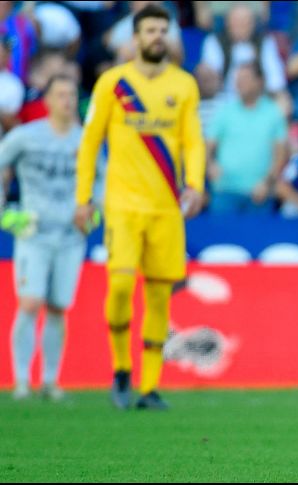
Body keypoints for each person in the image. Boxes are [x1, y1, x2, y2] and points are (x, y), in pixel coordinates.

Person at [75, 4, 206, 411]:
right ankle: (119, 368)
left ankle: (148, 387)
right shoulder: (113, 84)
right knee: (119, 286)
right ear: (134, 38)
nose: (157, 37)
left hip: (166, 208)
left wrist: (196, 185)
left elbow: (193, 141)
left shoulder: (184, 85)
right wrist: (83, 199)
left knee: (160, 296)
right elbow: (90, 142)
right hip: (122, 205)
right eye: (150, 30)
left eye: (162, 30)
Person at [0, 75, 87, 401]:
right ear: (47, 100)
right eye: (60, 94)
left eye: (71, 94)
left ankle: (50, 380)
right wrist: (5, 211)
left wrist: (94, 211)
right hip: (33, 234)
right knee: (30, 302)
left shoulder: (85, 141)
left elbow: (102, 181)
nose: (66, 100)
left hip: (70, 236)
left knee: (57, 307)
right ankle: (21, 381)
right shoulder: (26, 136)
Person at [205, 62, 288, 214]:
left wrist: (267, 183)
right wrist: (210, 165)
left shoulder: (274, 113)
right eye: (237, 79)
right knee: (223, 237)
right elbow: (207, 147)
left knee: (259, 238)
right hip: (225, 191)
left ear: (260, 82)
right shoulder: (225, 112)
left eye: (245, 79)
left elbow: (280, 155)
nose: (239, 83)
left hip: (259, 193)